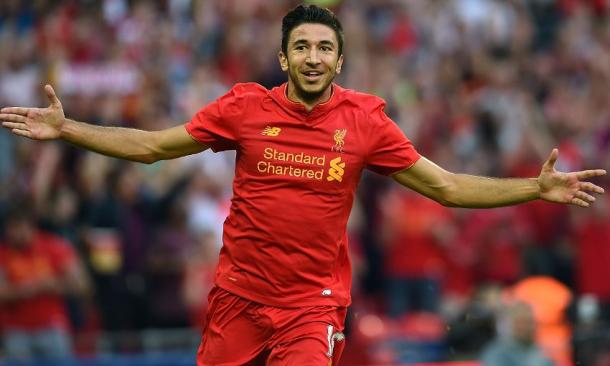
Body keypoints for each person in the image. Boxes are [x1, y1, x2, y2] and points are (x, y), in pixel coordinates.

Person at [0, 4, 605, 366]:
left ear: (339, 61)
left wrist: (535, 188)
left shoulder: (365, 122)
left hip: (309, 307)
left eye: (324, 48)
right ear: (283, 56)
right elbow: (155, 146)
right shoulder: (244, 108)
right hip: (236, 296)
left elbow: (445, 187)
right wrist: (68, 129)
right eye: (301, 47)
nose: (313, 57)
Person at [0, 204, 90, 362]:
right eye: (11, 229)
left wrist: (52, 285)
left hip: (51, 327)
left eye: (18, 228)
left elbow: (82, 285)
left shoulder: (55, 247)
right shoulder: (3, 253)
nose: (14, 234)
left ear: (31, 226)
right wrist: (29, 289)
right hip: (15, 331)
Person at [481, 301, 554, 366]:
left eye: (530, 322)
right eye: (521, 322)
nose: (527, 327)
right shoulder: (497, 352)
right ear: (509, 324)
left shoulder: (541, 350)